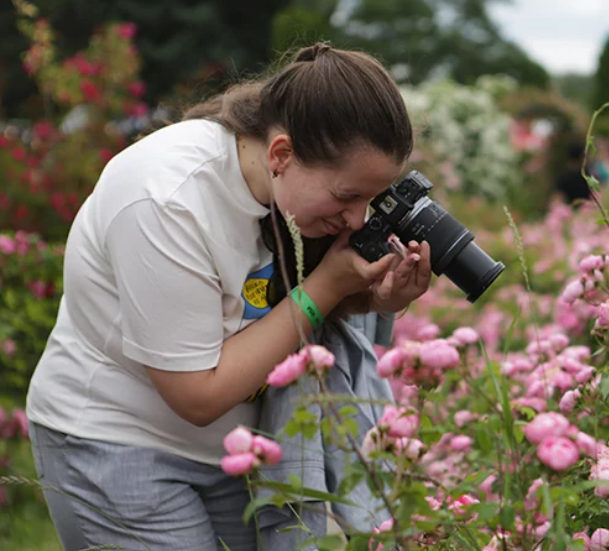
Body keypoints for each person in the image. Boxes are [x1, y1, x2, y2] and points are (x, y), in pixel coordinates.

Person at [26, 42, 430, 551]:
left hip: (237, 450)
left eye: (369, 200)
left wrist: (376, 298)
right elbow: (198, 395)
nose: (356, 218)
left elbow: (280, 302)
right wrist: (327, 287)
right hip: (116, 440)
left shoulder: (284, 185)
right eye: (347, 196)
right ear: (281, 154)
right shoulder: (167, 199)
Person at [554, 141, 592, 205]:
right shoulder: (588, 175)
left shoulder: (564, 177)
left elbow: (558, 197)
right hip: (589, 208)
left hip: (571, 209)